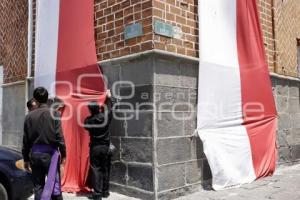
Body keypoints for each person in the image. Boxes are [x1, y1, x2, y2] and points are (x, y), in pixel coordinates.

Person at [22, 87, 66, 200]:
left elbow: (25, 141)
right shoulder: (55, 114)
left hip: (35, 155)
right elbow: (60, 137)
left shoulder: (29, 117)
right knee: (55, 185)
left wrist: (25, 159)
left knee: (38, 187)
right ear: (47, 98)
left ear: (35, 100)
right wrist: (64, 155)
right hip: (51, 156)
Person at [84, 90, 115, 200]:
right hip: (105, 147)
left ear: (90, 109)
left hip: (95, 147)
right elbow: (111, 109)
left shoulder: (88, 120)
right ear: (98, 107)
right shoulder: (105, 117)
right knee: (105, 169)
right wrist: (109, 97)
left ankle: (97, 194)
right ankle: (105, 192)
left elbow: (85, 126)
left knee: (96, 169)